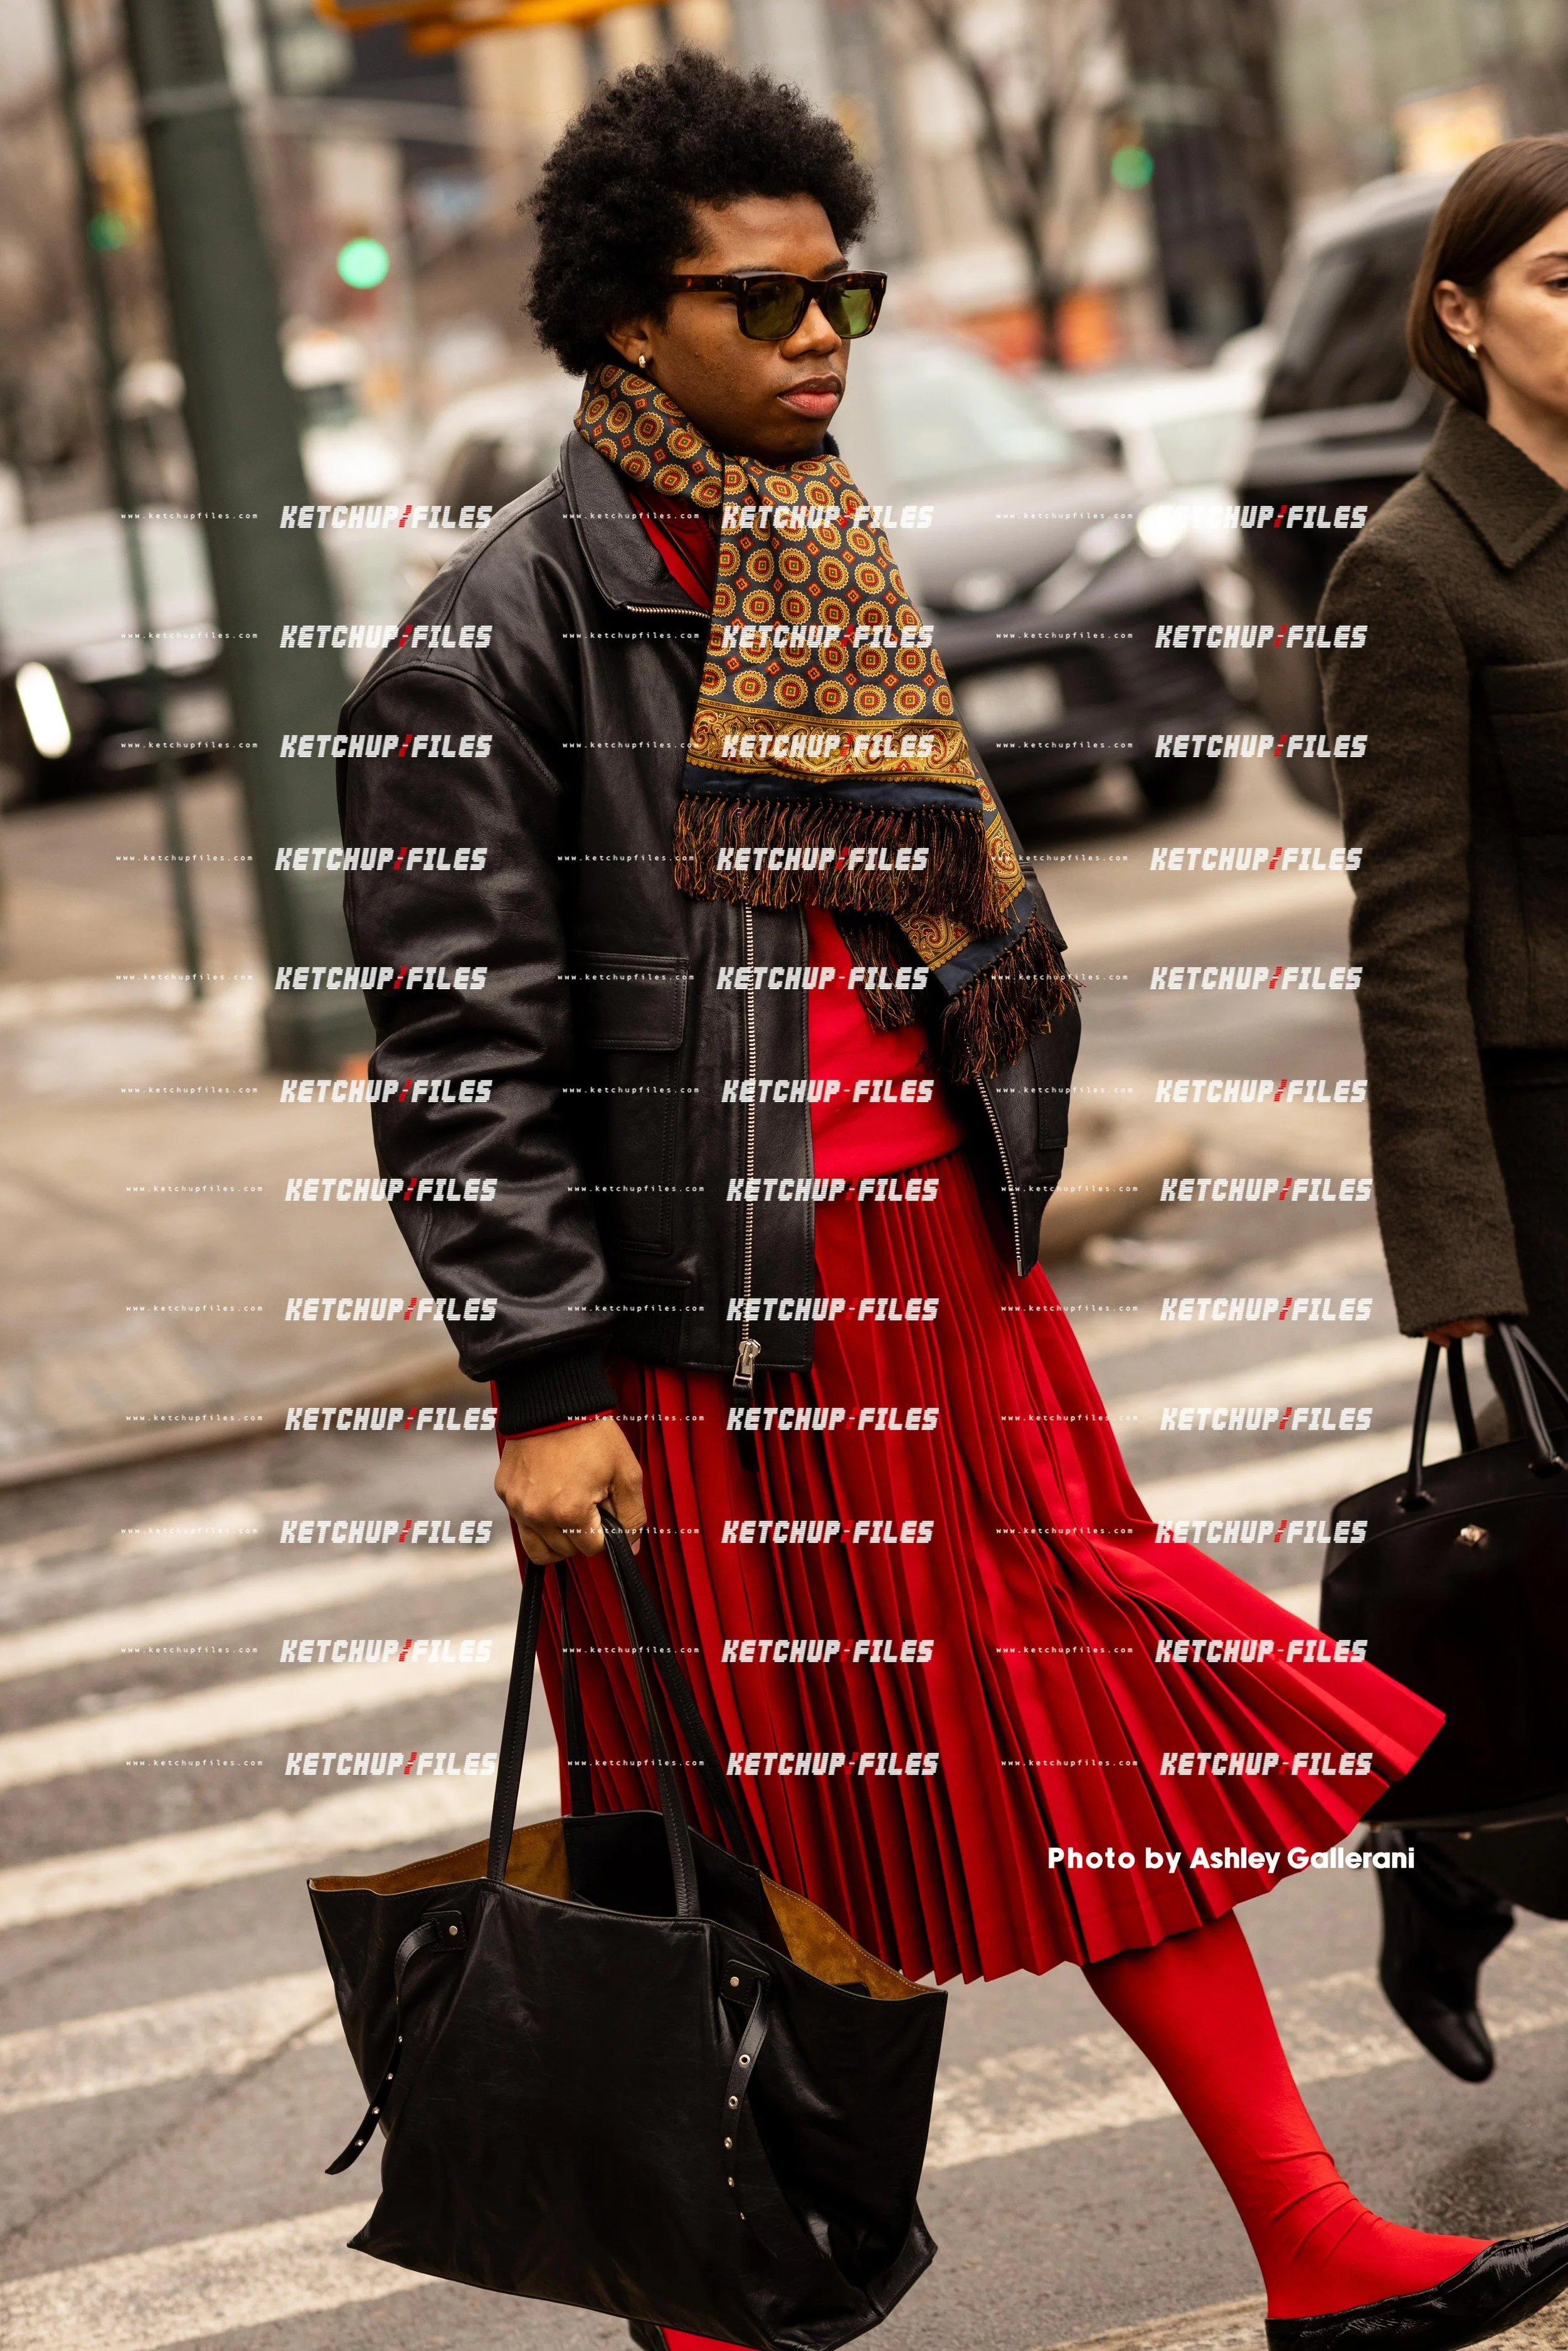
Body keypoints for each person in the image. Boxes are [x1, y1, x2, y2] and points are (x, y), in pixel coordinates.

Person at [339, 56, 1568, 2351]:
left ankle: (1312, 2242)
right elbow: (457, 1055)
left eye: (846, 291)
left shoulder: (825, 565)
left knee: (1083, 1742)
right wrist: (540, 1374)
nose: (823, 338)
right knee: (730, 1841)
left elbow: (947, 937)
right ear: (626, 322)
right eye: (767, 299)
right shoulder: (487, 652)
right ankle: (715, 2316)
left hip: (947, 1290)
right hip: (716, 1349)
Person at [1319, 136, 1568, 2090]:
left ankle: (1453, 1859)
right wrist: (1454, 1261)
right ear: (1463, 317)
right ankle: (1443, 1858)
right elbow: (1400, 932)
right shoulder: (1405, 568)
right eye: (1562, 278)